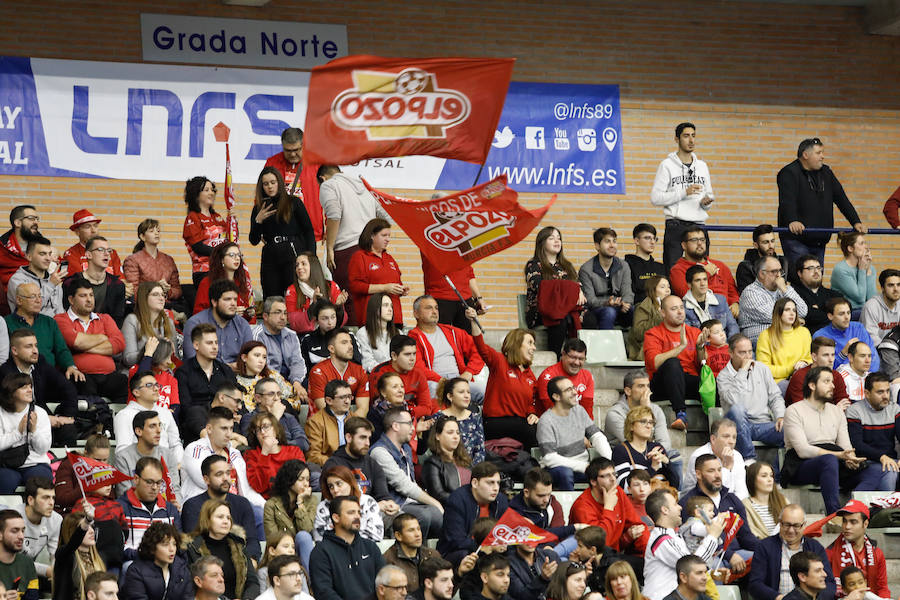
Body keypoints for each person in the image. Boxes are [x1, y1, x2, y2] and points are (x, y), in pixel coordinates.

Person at [782, 367, 882, 514]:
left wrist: (850, 459)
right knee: (828, 460)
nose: (833, 386)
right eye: (827, 382)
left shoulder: (836, 411)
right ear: (812, 385)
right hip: (801, 465)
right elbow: (803, 451)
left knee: (875, 470)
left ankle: (851, 510)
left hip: (834, 462)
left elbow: (845, 445)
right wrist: (839, 455)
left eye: (832, 382)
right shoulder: (794, 410)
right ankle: (834, 514)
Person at [777, 137, 864, 269]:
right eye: (818, 153)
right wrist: (792, 220)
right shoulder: (789, 173)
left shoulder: (826, 173)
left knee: (815, 281)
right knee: (803, 279)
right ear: (805, 155)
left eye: (822, 152)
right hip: (797, 239)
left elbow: (841, 198)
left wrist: (856, 221)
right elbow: (787, 200)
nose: (822, 156)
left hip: (819, 239)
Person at [319, 164, 388, 307]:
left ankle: (352, 330)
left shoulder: (328, 185)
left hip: (346, 250)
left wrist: (330, 247)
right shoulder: (364, 187)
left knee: (347, 301)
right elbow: (386, 217)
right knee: (371, 301)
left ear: (322, 178)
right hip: (371, 251)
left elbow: (334, 214)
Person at [467, 310, 539, 447]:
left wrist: (532, 414)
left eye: (534, 344)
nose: (534, 348)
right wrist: (473, 321)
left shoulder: (530, 375)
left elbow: (531, 403)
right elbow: (481, 347)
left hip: (521, 423)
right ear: (517, 344)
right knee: (529, 432)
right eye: (530, 343)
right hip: (496, 423)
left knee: (535, 429)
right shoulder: (500, 361)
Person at [650, 123, 716, 272]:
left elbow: (709, 195)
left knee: (702, 270)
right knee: (674, 271)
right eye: (686, 136)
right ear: (676, 139)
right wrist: (683, 193)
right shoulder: (666, 165)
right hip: (676, 225)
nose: (691, 140)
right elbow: (655, 198)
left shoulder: (702, 166)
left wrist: (706, 202)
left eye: (693, 135)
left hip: (699, 224)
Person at [54, 279, 126, 411]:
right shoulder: (61, 319)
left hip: (108, 375)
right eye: (83, 296)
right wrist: (103, 338)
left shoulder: (105, 318)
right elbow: (75, 341)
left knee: (123, 382)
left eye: (91, 295)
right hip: (80, 375)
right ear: (71, 299)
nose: (89, 300)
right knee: (82, 382)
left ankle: (115, 425)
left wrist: (83, 348)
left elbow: (119, 344)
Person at [372, 407, 444, 538]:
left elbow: (411, 482)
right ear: (395, 426)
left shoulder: (405, 448)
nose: (413, 428)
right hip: (394, 505)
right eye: (409, 423)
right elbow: (403, 484)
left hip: (410, 502)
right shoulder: (379, 452)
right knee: (426, 515)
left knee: (440, 514)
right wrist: (435, 502)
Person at [0, 328, 78, 446]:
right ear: (14, 351)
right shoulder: (5, 373)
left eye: (36, 345)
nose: (35, 350)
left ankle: (64, 464)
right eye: (28, 347)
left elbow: (68, 388)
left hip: (42, 415)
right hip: (17, 424)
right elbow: (12, 408)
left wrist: (66, 416)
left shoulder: (40, 363)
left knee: (68, 429)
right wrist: (46, 419)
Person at [643, 489, 724, 600]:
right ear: (665, 510)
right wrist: (713, 536)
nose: (680, 507)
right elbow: (693, 566)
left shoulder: (673, 536)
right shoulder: (662, 540)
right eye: (675, 504)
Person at [182, 406, 265, 514]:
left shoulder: (235, 454)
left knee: (260, 512)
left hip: (234, 507)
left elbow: (246, 489)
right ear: (209, 429)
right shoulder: (195, 449)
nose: (229, 434)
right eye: (224, 428)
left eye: (231, 428)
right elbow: (204, 482)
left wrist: (266, 507)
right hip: (205, 508)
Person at [679, 454, 758, 568]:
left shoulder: (732, 499)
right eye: (711, 471)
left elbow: (745, 535)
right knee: (714, 567)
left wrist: (764, 548)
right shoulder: (689, 503)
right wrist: (729, 555)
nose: (717, 475)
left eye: (719, 470)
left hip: (738, 553)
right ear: (698, 474)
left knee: (764, 558)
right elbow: (692, 539)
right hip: (708, 557)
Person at [250, 166, 316, 299]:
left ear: (279, 183)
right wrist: (258, 221)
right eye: (266, 184)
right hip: (271, 256)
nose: (270, 187)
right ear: (261, 186)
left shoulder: (293, 202)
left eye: (273, 182)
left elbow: (308, 230)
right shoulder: (258, 208)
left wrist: (311, 257)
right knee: (272, 297)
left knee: (295, 295)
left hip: (292, 252)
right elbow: (254, 240)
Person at [718, 333, 786, 462]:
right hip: (736, 427)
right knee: (737, 409)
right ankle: (749, 460)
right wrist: (742, 372)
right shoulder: (723, 376)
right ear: (731, 353)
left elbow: (775, 396)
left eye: (750, 352)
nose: (748, 357)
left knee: (792, 428)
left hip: (762, 425)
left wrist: (780, 416)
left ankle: (777, 478)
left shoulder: (762, 369)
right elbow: (735, 401)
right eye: (742, 353)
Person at [181, 454, 260, 563]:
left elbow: (252, 539)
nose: (226, 478)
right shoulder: (193, 505)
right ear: (206, 479)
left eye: (228, 473)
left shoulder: (242, 503)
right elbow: (194, 544)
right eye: (219, 474)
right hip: (206, 565)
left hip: (240, 563)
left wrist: (250, 562)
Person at [644, 295, 707, 430]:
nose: (680, 312)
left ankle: (721, 422)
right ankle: (680, 414)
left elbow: (702, 364)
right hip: (663, 385)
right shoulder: (653, 334)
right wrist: (680, 347)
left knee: (715, 382)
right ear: (663, 313)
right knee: (672, 363)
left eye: (681, 308)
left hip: (687, 381)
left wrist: (700, 348)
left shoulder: (694, 332)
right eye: (674, 309)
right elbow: (655, 363)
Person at [409, 295, 486, 405]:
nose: (434, 311)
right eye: (429, 308)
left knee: (486, 393)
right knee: (431, 390)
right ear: (416, 314)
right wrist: (444, 382)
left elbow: (479, 350)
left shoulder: (452, 332)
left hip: (459, 380)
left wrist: (468, 373)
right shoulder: (413, 337)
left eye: (436, 308)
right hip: (435, 383)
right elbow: (418, 368)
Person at [537, 375, 611, 490]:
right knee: (565, 473)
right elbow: (549, 458)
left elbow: (597, 436)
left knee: (605, 473)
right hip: (557, 469)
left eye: (573, 387)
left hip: (582, 467)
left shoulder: (579, 410)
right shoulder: (546, 421)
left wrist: (609, 461)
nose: (575, 392)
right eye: (568, 390)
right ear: (556, 396)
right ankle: (568, 506)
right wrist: (584, 466)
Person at [749, 503, 836, 600]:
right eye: (786, 524)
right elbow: (755, 584)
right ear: (780, 523)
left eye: (796, 525)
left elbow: (830, 584)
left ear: (804, 525)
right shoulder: (765, 547)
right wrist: (779, 598)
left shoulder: (815, 547)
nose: (791, 530)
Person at [309, 495, 385, 600]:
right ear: (336, 518)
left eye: (359, 512)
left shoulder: (370, 547)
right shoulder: (321, 552)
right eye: (351, 512)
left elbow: (384, 584)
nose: (357, 516)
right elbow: (324, 592)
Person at [570, 457, 649, 557]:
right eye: (607, 476)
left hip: (615, 556)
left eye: (614, 474)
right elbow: (600, 544)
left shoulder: (618, 492)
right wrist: (608, 508)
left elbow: (638, 526)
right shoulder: (582, 506)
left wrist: (650, 555)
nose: (613, 479)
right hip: (592, 560)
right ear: (593, 481)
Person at [322, 417, 398, 519]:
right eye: (362, 438)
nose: (367, 443)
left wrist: (390, 504)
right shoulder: (333, 464)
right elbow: (334, 501)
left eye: (368, 438)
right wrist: (373, 506)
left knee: (400, 517)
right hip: (342, 516)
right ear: (348, 438)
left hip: (372, 513)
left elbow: (383, 495)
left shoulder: (372, 463)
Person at [524, 226, 584, 355]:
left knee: (589, 317)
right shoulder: (534, 265)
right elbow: (540, 287)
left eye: (559, 238)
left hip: (567, 309)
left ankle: (579, 357)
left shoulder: (566, 266)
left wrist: (578, 289)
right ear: (542, 242)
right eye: (551, 238)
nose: (557, 241)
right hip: (542, 310)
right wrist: (574, 288)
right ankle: (555, 357)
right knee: (560, 318)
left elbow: (577, 285)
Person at [184, 499, 260, 600]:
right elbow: (190, 586)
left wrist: (246, 599)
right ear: (207, 519)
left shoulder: (238, 545)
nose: (226, 521)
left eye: (228, 518)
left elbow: (252, 582)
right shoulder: (192, 548)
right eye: (220, 517)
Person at [176, 323, 239, 437]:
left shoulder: (225, 370)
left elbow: (236, 397)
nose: (215, 347)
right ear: (196, 345)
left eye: (216, 342)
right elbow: (186, 408)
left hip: (227, 422)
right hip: (196, 426)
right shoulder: (184, 372)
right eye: (209, 343)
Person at [5, 282, 81, 374]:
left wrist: (70, 366)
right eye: (33, 297)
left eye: (40, 296)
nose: (38, 300)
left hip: (49, 374)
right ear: (19, 300)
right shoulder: (6, 323)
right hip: (20, 375)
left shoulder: (49, 322)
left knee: (78, 382)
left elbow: (61, 350)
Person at [348, 218, 408, 327]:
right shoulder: (360, 257)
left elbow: (396, 283)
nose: (388, 239)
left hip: (395, 317)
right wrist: (384, 288)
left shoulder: (390, 258)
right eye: (384, 235)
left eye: (389, 236)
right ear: (372, 235)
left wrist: (401, 290)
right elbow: (355, 286)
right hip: (372, 317)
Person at [264, 127, 322, 241]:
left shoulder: (317, 163)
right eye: (288, 150)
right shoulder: (272, 163)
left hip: (309, 230)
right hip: (279, 229)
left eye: (296, 149)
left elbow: (330, 196)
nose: (293, 154)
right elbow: (262, 195)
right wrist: (263, 227)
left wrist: (328, 225)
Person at [113, 409, 182, 502]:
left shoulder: (168, 455)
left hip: (166, 509)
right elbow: (124, 494)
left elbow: (175, 489)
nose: (159, 431)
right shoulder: (123, 457)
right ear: (139, 431)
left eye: (159, 425)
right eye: (152, 426)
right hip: (135, 511)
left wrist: (176, 505)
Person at [846, 372, 900, 491]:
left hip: (891, 460)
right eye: (880, 392)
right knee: (889, 470)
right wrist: (881, 457)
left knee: (890, 467)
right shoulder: (855, 411)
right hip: (867, 463)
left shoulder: (894, 409)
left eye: (887, 391)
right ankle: (887, 508)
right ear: (867, 393)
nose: (885, 396)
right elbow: (857, 445)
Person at [824, 500, 889, 598]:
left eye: (853, 522)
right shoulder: (829, 554)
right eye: (844, 521)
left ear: (865, 524)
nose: (847, 526)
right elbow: (824, 592)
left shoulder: (877, 553)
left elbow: (882, 588)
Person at [508, 467, 576, 560]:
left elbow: (556, 533)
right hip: (533, 555)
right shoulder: (514, 512)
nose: (546, 500)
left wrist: (549, 545)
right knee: (563, 560)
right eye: (541, 496)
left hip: (552, 549)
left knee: (578, 540)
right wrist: (574, 528)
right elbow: (531, 539)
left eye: (549, 494)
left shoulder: (552, 503)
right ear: (526, 493)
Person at [669, 226, 739, 316]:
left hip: (726, 313)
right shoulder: (677, 269)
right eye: (694, 240)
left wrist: (735, 303)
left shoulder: (720, 265)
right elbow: (686, 294)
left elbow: (732, 291)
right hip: (698, 314)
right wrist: (706, 273)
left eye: (702, 240)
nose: (699, 243)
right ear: (684, 245)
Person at [117, 456, 181, 554]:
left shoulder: (170, 509)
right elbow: (117, 547)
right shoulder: (119, 507)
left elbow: (179, 544)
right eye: (149, 482)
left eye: (158, 482)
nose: (155, 487)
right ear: (136, 479)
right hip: (133, 561)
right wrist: (146, 555)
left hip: (166, 562)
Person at [0, 373, 51, 494]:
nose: (30, 390)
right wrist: (17, 433)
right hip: (5, 464)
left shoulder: (40, 413)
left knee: (41, 482)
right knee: (6, 481)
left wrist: (34, 431)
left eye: (30, 386)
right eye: (24, 387)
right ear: (11, 391)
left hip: (35, 463)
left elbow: (43, 449)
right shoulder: (1, 413)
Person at [739, 256, 808, 345]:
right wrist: (795, 320)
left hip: (783, 336)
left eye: (780, 271)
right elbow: (771, 315)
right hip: (758, 340)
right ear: (761, 274)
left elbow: (803, 311)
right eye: (774, 271)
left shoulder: (783, 289)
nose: (779, 275)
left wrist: (785, 289)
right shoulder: (751, 292)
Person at [184, 279, 254, 365]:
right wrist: (226, 369)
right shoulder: (195, 323)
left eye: (235, 299)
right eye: (227, 299)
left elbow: (250, 358)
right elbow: (191, 359)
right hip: (203, 375)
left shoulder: (242, 325)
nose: (233, 304)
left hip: (238, 376)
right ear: (214, 302)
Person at [251, 296, 308, 403]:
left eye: (285, 313)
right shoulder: (258, 335)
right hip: (268, 382)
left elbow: (297, 362)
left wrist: (296, 383)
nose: (283, 317)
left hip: (291, 380)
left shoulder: (291, 334)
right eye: (278, 312)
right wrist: (286, 386)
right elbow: (262, 369)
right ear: (265, 316)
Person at [606, 369, 675, 454]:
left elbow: (665, 442)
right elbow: (633, 443)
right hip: (625, 457)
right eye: (641, 386)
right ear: (628, 391)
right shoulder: (615, 413)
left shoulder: (656, 409)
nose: (647, 391)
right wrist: (645, 410)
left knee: (674, 456)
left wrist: (655, 454)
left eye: (648, 386)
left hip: (652, 454)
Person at [62, 236, 126, 327]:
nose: (107, 254)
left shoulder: (117, 285)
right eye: (101, 250)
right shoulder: (71, 282)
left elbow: (117, 322)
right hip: (77, 332)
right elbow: (66, 316)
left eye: (109, 250)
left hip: (106, 334)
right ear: (88, 255)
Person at [262, 459, 315, 570]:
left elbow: (306, 529)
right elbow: (273, 538)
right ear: (289, 480)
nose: (306, 484)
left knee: (303, 537)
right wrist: (289, 547)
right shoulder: (271, 505)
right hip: (280, 554)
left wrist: (300, 503)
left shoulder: (310, 501)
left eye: (308, 479)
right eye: (301, 479)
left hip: (302, 553)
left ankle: (311, 584)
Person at [121, 521, 193, 600]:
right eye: (165, 544)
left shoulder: (182, 569)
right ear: (152, 548)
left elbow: (188, 597)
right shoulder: (136, 571)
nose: (172, 549)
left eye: (174, 544)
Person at [579, 228, 633, 330]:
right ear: (597, 246)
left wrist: (624, 303)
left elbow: (627, 291)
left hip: (619, 306)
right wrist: (606, 303)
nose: (612, 245)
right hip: (597, 310)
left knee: (635, 310)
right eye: (607, 241)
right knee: (609, 312)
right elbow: (590, 300)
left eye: (614, 241)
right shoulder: (586, 269)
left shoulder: (623, 265)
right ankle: (605, 344)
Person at [314, 463, 383, 543]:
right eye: (331, 486)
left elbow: (377, 535)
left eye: (339, 484)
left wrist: (339, 531)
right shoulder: (323, 507)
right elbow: (319, 538)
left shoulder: (368, 502)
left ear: (350, 483)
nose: (335, 490)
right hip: (334, 552)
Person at [122, 218, 182, 308]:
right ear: (142, 237)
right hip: (144, 306)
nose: (156, 233)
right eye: (151, 231)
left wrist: (168, 291)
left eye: (158, 231)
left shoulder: (168, 260)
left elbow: (177, 289)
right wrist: (156, 288)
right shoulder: (132, 260)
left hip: (167, 305)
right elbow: (133, 290)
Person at [368, 335, 434, 417]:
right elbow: (379, 408)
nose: (412, 358)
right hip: (388, 420)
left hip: (415, 417)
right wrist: (408, 415)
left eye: (414, 354)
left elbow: (427, 408)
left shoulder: (418, 373)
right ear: (394, 356)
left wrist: (411, 414)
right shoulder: (379, 373)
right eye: (407, 354)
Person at [612, 406, 678, 488]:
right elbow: (624, 486)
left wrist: (667, 462)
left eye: (651, 422)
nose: (649, 426)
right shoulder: (621, 451)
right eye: (643, 422)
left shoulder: (657, 448)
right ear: (631, 426)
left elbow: (675, 485)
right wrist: (653, 468)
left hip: (661, 497)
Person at [285, 251, 348, 336]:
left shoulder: (331, 286)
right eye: (297, 265)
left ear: (313, 266)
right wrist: (314, 305)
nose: (299, 267)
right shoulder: (292, 290)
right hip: (306, 336)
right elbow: (294, 323)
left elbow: (341, 322)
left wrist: (338, 307)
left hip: (331, 334)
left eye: (303, 264)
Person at [244, 413, 306, 498]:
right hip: (268, 504)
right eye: (258, 430)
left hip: (292, 499)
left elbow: (300, 480)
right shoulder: (251, 455)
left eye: (266, 427)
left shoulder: (294, 451)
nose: (262, 432)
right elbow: (258, 487)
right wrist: (264, 453)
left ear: (276, 429)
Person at [681, 418, 747, 497]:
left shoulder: (737, 456)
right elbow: (715, 493)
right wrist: (727, 468)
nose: (731, 441)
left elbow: (742, 492)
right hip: (702, 502)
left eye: (734, 437)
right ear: (713, 439)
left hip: (730, 504)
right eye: (726, 436)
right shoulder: (700, 456)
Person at [122, 281, 181, 367]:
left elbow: (175, 361)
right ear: (144, 298)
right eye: (155, 294)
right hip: (140, 374)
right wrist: (149, 350)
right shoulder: (132, 320)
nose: (161, 298)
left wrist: (172, 353)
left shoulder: (168, 322)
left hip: (164, 374)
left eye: (163, 295)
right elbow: (128, 359)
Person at [814, 298, 881, 372]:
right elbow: (826, 368)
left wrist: (869, 376)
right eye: (841, 314)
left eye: (848, 313)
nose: (846, 317)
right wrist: (843, 353)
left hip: (864, 376)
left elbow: (873, 356)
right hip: (837, 379)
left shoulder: (858, 328)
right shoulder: (821, 335)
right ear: (830, 316)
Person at [182, 176, 227, 286]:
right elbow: (198, 247)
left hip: (223, 268)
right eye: (206, 190)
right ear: (196, 194)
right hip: (205, 272)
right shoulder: (193, 217)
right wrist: (223, 253)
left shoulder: (217, 216)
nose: (211, 193)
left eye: (212, 190)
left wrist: (234, 223)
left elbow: (230, 238)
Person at [757, 298, 812, 387]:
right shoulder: (766, 335)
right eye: (787, 310)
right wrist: (790, 369)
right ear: (778, 313)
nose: (792, 313)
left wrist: (805, 363)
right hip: (778, 381)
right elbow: (763, 368)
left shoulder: (804, 332)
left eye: (794, 310)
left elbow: (810, 358)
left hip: (803, 377)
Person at [192, 243, 254, 323]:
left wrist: (248, 314)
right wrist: (227, 314)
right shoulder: (207, 282)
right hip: (213, 329)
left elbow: (244, 315)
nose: (237, 258)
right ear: (221, 259)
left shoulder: (241, 282)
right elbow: (198, 314)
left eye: (239, 255)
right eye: (232, 255)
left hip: (238, 329)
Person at [51, 504, 103, 600]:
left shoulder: (98, 558)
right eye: (86, 528)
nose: (91, 531)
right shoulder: (64, 557)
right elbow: (71, 546)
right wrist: (86, 521)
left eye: (91, 527)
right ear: (72, 532)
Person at [14, 476, 60, 583]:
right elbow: (12, 560)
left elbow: (54, 554)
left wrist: (55, 571)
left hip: (31, 570)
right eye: (45, 498)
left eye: (53, 498)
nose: (51, 503)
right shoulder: (13, 517)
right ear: (30, 500)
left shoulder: (56, 519)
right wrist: (47, 571)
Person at [382, 513, 440, 594]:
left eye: (418, 529)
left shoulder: (432, 555)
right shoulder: (388, 560)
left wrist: (459, 574)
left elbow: (444, 589)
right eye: (411, 530)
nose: (418, 534)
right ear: (398, 535)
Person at [786, 337, 851, 408]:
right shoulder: (800, 376)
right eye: (826, 355)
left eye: (832, 355)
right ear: (814, 357)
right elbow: (802, 410)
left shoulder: (836, 375)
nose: (831, 360)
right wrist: (835, 410)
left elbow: (844, 404)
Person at [7, 235, 62, 317]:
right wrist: (51, 285)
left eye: (49, 254)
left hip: (54, 327)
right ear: (29, 257)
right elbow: (30, 308)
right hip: (28, 327)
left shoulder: (53, 279)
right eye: (42, 254)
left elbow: (59, 310)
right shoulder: (17, 280)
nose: (48, 258)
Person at [54, 433, 110, 514]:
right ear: (86, 454)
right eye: (97, 459)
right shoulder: (69, 465)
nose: (101, 464)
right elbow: (62, 499)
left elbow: (112, 499)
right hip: (73, 515)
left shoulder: (107, 470)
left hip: (100, 512)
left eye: (105, 460)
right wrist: (90, 487)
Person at [536, 338, 593, 417]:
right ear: (563, 354)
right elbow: (553, 411)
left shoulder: (587, 376)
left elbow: (587, 410)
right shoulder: (548, 377)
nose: (576, 362)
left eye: (581, 359)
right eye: (572, 357)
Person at [234, 343, 297, 415]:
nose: (261, 361)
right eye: (257, 355)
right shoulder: (235, 381)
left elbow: (294, 399)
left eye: (264, 357)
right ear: (244, 357)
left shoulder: (273, 376)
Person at [422, 416, 472, 503]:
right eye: (450, 433)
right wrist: (464, 501)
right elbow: (438, 494)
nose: (455, 437)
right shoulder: (432, 463)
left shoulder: (465, 460)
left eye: (457, 433)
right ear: (437, 436)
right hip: (450, 509)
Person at [62, 210, 123, 280]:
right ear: (77, 231)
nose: (93, 230)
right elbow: (79, 282)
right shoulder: (71, 254)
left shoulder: (112, 253)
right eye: (88, 227)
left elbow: (121, 281)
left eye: (95, 226)